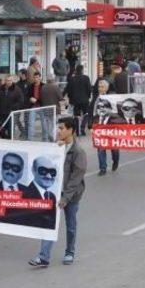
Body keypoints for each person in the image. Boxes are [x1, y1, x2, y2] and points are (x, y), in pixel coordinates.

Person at [30, 117, 87, 268]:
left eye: (62, 128)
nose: (58, 131)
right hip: (54, 194)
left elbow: (76, 179)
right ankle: (43, 257)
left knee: (71, 224)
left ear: (71, 130)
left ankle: (70, 252)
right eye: (58, 128)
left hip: (71, 196)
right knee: (49, 223)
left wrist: (66, 198)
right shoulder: (56, 148)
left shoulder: (78, 152)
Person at [88, 80, 121, 175]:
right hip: (99, 127)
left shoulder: (112, 98)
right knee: (101, 148)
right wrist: (90, 126)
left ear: (107, 88)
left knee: (114, 148)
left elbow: (118, 113)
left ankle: (115, 160)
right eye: (99, 86)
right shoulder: (95, 99)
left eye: (102, 87)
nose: (100, 88)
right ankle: (103, 168)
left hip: (111, 127)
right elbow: (90, 113)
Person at [22, 156, 58, 229]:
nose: (48, 176)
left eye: (52, 172)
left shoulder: (51, 196)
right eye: (43, 171)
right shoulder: (25, 195)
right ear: (33, 170)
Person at [63, 65, 92, 136]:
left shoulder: (71, 79)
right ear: (82, 70)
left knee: (76, 115)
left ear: (76, 70)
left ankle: (78, 131)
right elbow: (89, 89)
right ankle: (82, 128)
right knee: (86, 114)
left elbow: (68, 89)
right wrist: (88, 97)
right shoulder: (86, 78)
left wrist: (69, 97)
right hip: (85, 100)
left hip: (75, 101)